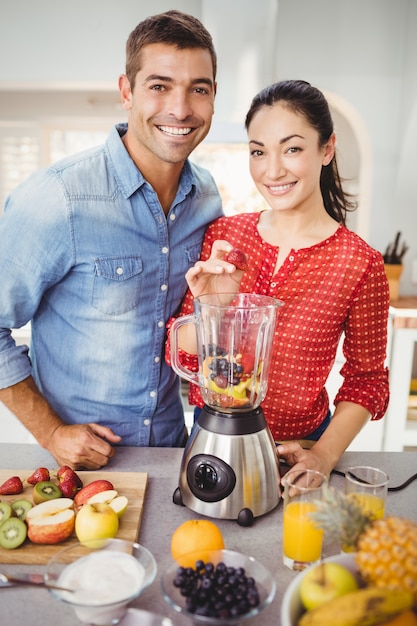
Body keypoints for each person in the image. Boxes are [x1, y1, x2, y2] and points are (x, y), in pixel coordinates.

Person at [0, 10, 223, 469]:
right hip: (77, 467)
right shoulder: (57, 198)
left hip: (173, 452)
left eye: (197, 89)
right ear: (126, 92)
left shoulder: (208, 199)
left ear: (213, 97)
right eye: (159, 86)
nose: (180, 109)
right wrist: (52, 432)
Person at [166, 79, 390, 480]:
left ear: (327, 148)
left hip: (299, 452)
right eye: (258, 151)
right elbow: (180, 354)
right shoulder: (224, 236)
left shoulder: (360, 263)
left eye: (292, 148)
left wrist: (323, 456)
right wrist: (213, 312)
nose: (272, 170)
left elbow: (366, 381)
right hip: (211, 438)